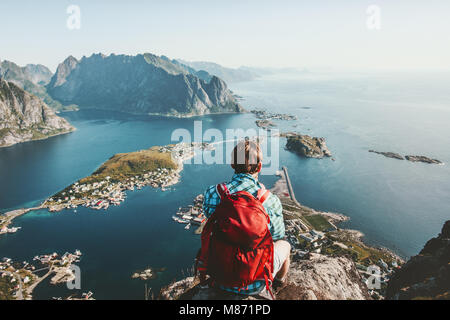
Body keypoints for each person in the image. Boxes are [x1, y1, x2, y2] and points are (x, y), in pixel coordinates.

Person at [201, 139, 291, 296]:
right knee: (285, 245)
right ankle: (277, 284)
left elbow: (210, 221)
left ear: (232, 164)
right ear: (260, 166)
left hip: (219, 275)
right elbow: (276, 236)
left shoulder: (213, 193)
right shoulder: (270, 200)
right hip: (255, 281)